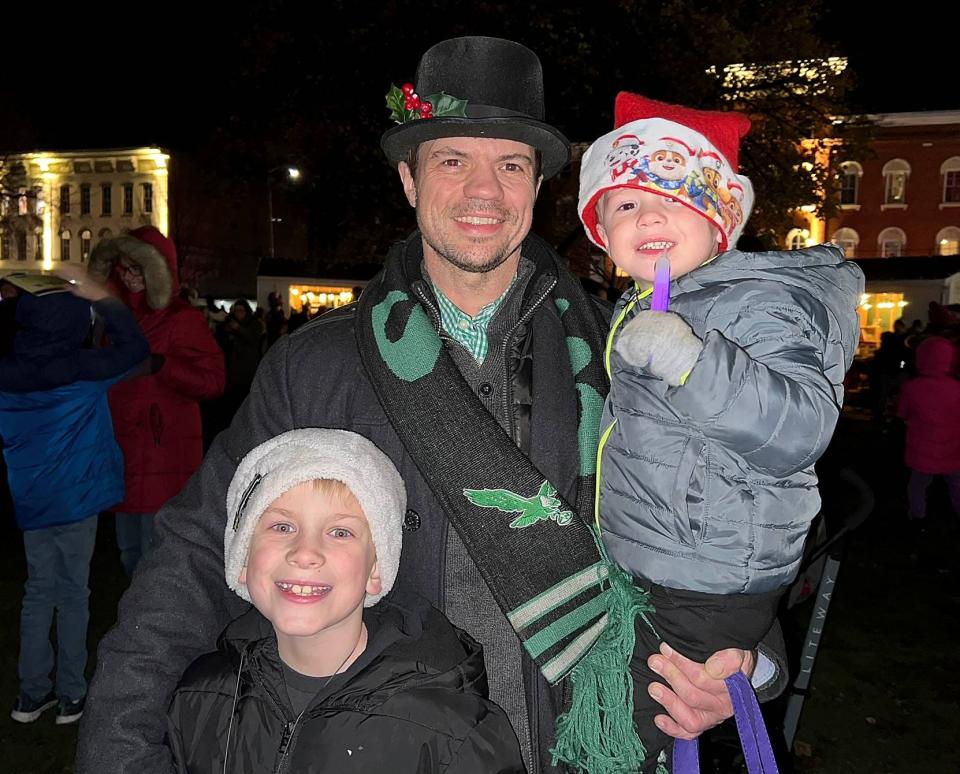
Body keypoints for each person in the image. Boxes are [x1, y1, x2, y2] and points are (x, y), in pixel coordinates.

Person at [78, 39, 785, 774]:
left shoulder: (625, 354)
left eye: (511, 164)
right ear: (409, 181)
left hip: (590, 738)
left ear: (538, 187)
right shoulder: (315, 365)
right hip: (383, 747)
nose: (485, 192)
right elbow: (193, 556)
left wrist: (747, 661)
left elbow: (728, 521)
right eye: (453, 161)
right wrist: (119, 752)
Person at [577, 91, 863, 763]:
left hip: (701, 582)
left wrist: (691, 364)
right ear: (602, 234)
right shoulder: (640, 305)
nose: (647, 213)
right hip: (656, 569)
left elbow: (800, 428)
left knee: (626, 741)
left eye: (673, 199)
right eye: (624, 205)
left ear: (722, 220)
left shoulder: (754, 301)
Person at [167, 428, 524, 773]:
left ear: (376, 571)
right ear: (242, 559)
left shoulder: (452, 736)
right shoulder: (199, 699)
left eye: (340, 532)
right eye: (282, 527)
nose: (305, 553)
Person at [0, 266, 149, 726]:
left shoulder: (7, 372)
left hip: (33, 497)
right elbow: (136, 349)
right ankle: (70, 693)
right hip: (77, 498)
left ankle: (31, 694)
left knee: (38, 591)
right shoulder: (84, 370)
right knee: (74, 594)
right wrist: (102, 297)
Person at [87, 226, 225, 576]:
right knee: (130, 555)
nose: (130, 277)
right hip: (124, 453)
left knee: (157, 562)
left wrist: (163, 366)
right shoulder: (114, 320)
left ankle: (160, 629)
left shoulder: (181, 318)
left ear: (158, 270)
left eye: (138, 269)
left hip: (163, 454)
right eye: (124, 268)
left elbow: (213, 381)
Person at [897, 336, 960, 521]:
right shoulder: (957, 388)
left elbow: (903, 414)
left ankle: (917, 517)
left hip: (922, 447)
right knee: (957, 484)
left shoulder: (911, 388)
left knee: (918, 485)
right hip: (953, 447)